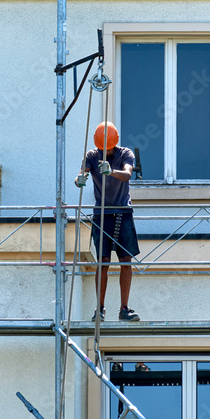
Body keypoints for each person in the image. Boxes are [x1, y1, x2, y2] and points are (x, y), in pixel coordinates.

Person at [75, 121, 140, 322]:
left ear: (115, 143)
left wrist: (111, 171)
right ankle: (100, 309)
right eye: (103, 148)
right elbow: (81, 174)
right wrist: (79, 180)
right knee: (102, 262)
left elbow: (128, 174)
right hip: (102, 214)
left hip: (123, 211)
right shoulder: (92, 156)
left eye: (108, 148)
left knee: (125, 261)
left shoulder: (125, 154)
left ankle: (124, 308)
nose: (105, 151)